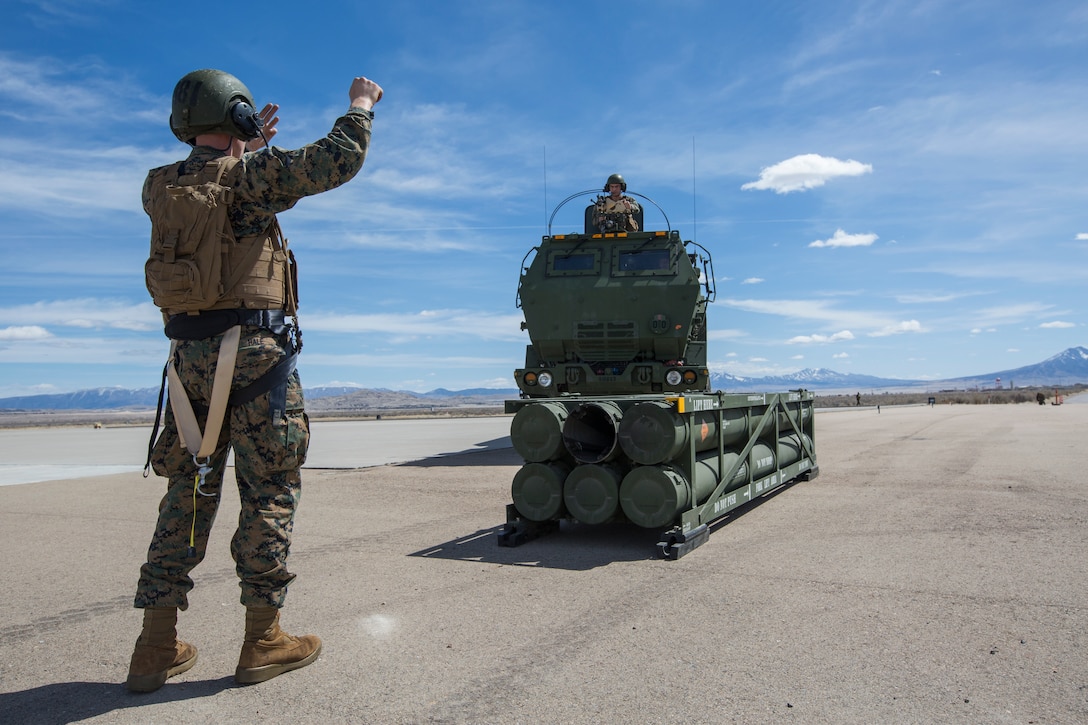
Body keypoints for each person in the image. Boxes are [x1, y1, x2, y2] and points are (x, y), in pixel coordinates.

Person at [127, 69, 382, 693]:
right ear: (238, 118)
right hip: (256, 359)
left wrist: (246, 146)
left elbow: (216, 194)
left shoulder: (159, 186)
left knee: (187, 494)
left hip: (188, 360)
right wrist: (360, 105)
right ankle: (263, 638)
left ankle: (154, 646)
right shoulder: (250, 180)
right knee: (269, 490)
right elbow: (336, 159)